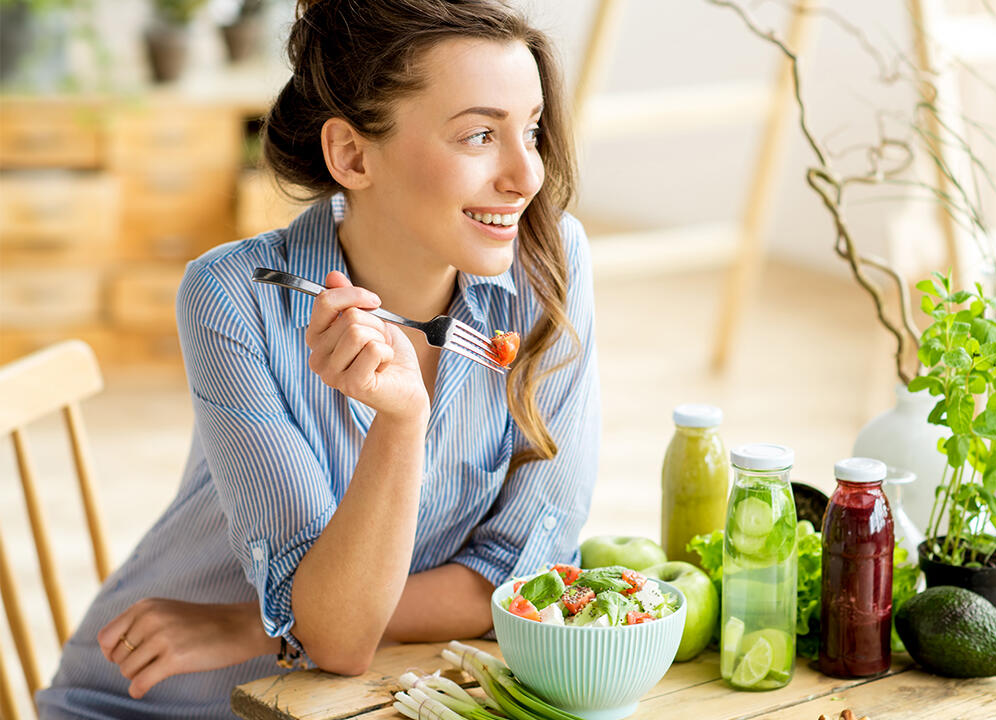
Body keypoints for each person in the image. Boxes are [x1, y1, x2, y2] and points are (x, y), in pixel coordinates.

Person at [37, 1, 599, 716]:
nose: (526, 175)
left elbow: (524, 578)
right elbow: (337, 638)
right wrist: (401, 424)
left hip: (355, 699)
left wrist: (256, 626)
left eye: (533, 130)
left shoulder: (550, 265)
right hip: (157, 703)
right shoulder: (236, 297)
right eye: (481, 135)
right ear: (352, 155)